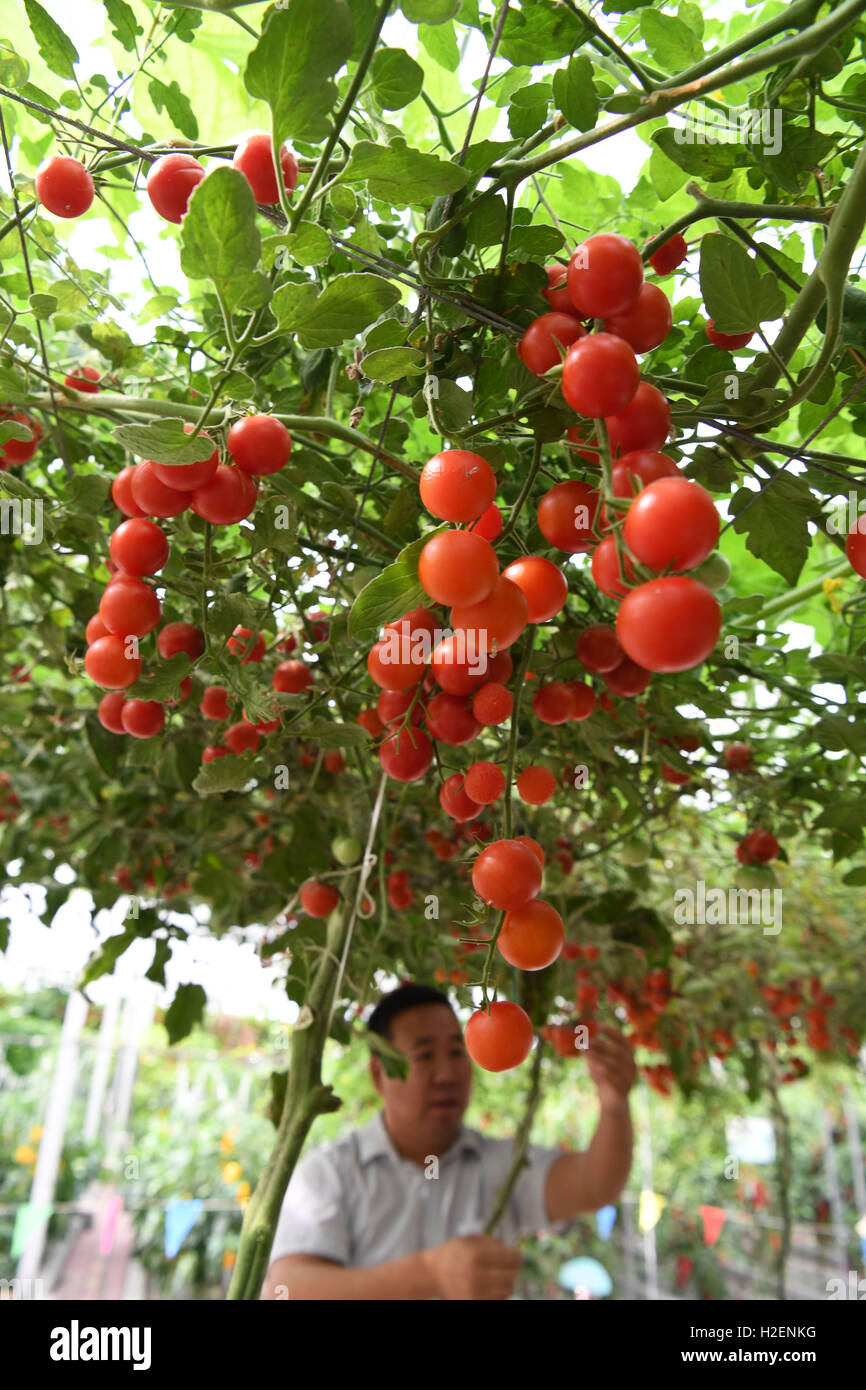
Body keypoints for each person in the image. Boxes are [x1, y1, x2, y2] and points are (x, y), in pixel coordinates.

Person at [261, 983, 636, 1300]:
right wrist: (430, 1272)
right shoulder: (331, 1173)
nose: (447, 1074)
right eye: (425, 1055)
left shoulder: (500, 1164)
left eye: (457, 1051)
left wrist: (615, 1106)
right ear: (379, 1074)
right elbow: (287, 1289)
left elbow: (594, 1185)